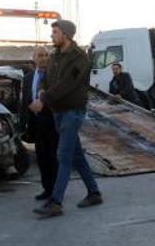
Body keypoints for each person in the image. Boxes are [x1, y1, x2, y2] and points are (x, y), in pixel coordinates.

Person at [29, 20, 104, 218]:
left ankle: (56, 202)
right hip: (58, 112)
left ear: (66, 35)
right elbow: (47, 78)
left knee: (63, 155)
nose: (52, 35)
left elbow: (67, 84)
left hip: (73, 111)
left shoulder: (80, 58)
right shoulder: (55, 56)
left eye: (55, 32)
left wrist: (43, 98)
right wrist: (43, 89)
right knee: (76, 156)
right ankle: (94, 192)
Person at [21, 46, 59, 201]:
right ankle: (47, 189)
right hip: (35, 124)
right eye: (40, 55)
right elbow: (25, 101)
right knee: (41, 158)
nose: (43, 58)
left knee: (53, 158)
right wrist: (24, 122)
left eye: (46, 55)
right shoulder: (28, 77)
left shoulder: (55, 76)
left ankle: (56, 190)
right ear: (34, 58)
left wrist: (44, 105)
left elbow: (58, 98)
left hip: (51, 122)